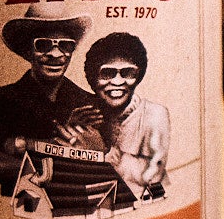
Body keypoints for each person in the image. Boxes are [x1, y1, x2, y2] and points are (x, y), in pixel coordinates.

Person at [0, 7, 101, 197]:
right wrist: (50, 166)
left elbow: (103, 158)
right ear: (28, 50)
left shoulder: (87, 101)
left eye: (65, 45)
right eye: (43, 45)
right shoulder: (3, 100)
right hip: (18, 213)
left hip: (77, 206)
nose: (55, 54)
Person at [68, 32, 170, 204]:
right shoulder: (88, 114)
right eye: (107, 73)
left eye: (127, 73)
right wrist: (71, 133)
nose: (117, 82)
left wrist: (107, 153)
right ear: (93, 79)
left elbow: (155, 173)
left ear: (138, 76)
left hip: (145, 207)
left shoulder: (154, 114)